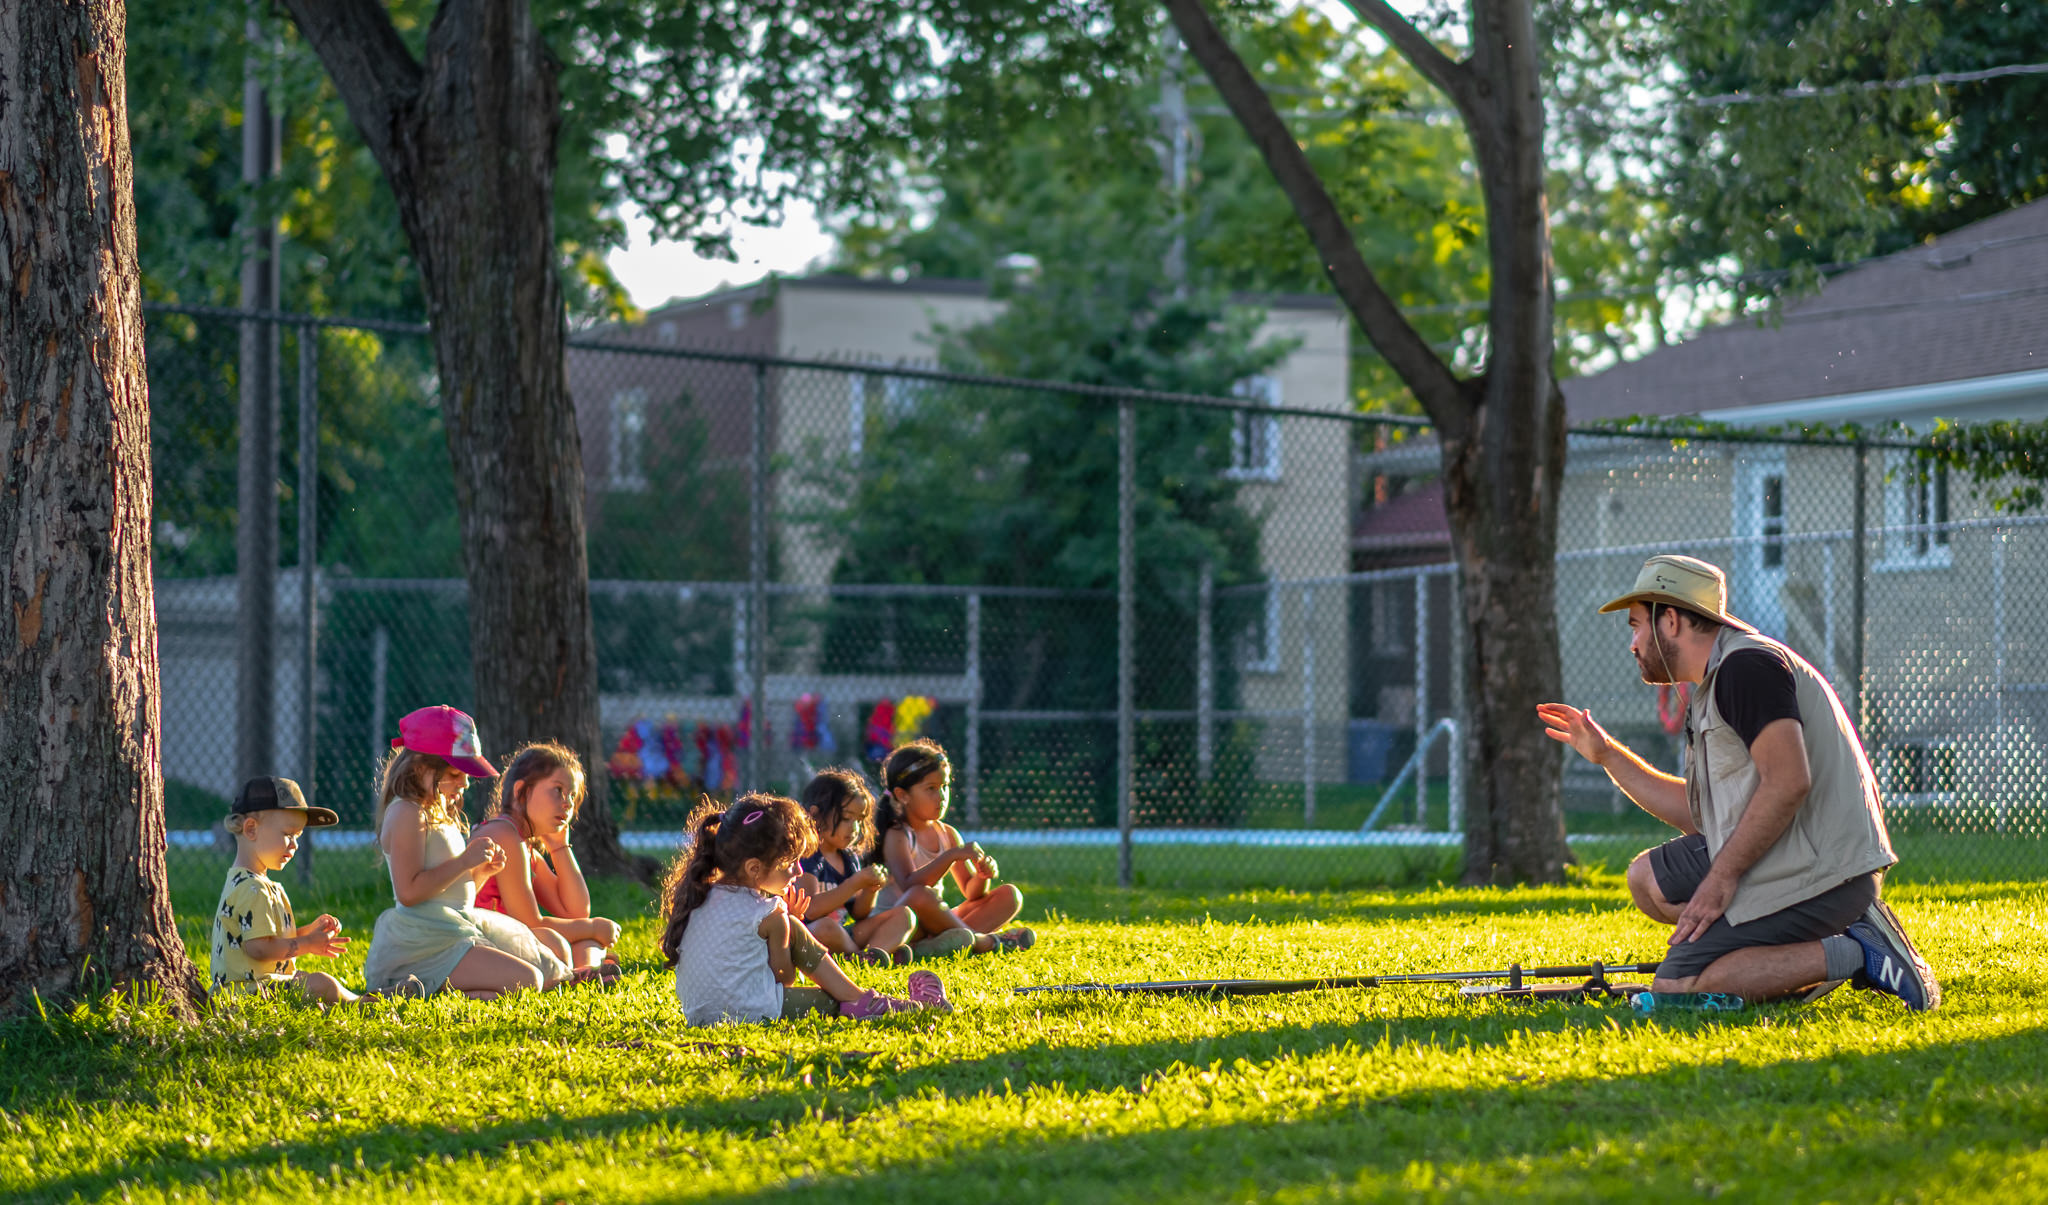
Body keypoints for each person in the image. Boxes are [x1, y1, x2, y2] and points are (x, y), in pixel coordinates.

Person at [1538, 554, 1939, 1008]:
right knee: (1647, 879)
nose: (1632, 643)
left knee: (1677, 988)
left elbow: (1788, 781)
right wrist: (1607, 755)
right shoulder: (1720, 676)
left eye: (1636, 626)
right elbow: (1703, 815)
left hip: (1825, 870)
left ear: (1670, 620)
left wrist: (1719, 881)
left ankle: (1859, 950)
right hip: (1788, 854)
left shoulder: (1746, 670)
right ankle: (1798, 960)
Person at [659, 793, 951, 1025]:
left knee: (794, 927)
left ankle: (862, 998)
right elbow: (784, 980)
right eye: (790, 864)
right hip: (745, 1013)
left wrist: (785, 928)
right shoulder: (768, 913)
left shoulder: (703, 895)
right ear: (754, 868)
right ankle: (877, 1004)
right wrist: (786, 929)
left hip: (699, 1016)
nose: (799, 871)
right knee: (834, 1002)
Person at [360, 705, 575, 999]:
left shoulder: (437, 813)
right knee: (526, 980)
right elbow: (409, 892)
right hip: (423, 941)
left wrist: (480, 872)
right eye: (455, 773)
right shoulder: (406, 813)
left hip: (451, 927)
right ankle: (409, 988)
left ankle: (436, 991)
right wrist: (464, 861)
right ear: (422, 766)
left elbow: (451, 894)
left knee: (548, 966)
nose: (465, 782)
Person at [473, 742, 623, 975]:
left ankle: (585, 973)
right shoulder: (503, 835)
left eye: (572, 796)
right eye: (558, 790)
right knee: (557, 939)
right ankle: (583, 973)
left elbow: (575, 912)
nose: (568, 803)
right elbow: (530, 923)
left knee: (586, 941)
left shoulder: (525, 847)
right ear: (521, 791)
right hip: (480, 945)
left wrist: (560, 847)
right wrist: (593, 927)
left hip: (508, 943)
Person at [875, 739, 1034, 955]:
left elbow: (972, 892)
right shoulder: (897, 833)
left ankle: (936, 946)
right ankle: (983, 943)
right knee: (920, 895)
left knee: (1010, 895)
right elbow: (909, 886)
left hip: (935, 922)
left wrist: (981, 876)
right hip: (899, 924)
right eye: (930, 789)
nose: (941, 796)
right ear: (903, 795)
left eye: (945, 786)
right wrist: (950, 856)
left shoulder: (947, 834)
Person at [211, 776, 359, 1004]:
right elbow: (259, 948)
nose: (295, 844)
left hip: (258, 987)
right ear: (251, 829)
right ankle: (364, 1003)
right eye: (288, 834)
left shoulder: (252, 884)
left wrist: (309, 933)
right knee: (321, 983)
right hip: (247, 995)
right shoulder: (252, 889)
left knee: (307, 979)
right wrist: (308, 945)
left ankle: (361, 999)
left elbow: (269, 939)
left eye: (298, 836)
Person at [795, 768, 917, 966]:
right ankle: (866, 956)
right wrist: (854, 883)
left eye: (859, 820)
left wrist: (870, 890)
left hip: (842, 936)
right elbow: (810, 910)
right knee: (826, 927)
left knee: (905, 915)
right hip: (808, 937)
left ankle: (868, 955)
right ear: (815, 815)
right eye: (846, 818)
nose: (854, 828)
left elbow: (858, 914)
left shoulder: (848, 858)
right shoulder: (808, 855)